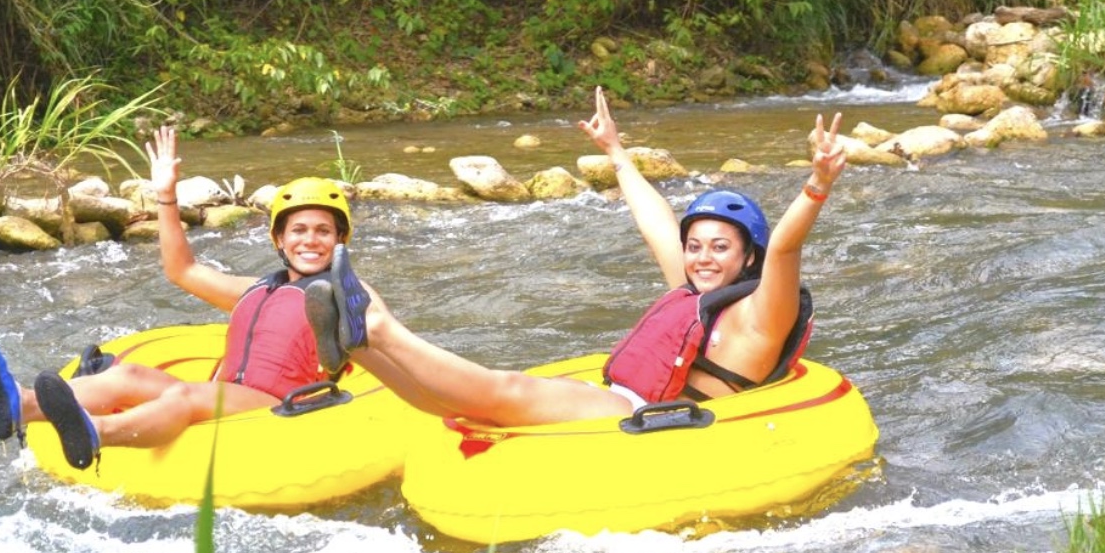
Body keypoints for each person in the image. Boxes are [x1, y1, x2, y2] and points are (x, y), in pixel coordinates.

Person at [303, 86, 849, 426]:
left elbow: (786, 247)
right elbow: (655, 220)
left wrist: (817, 185)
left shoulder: (762, 315)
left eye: (721, 247)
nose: (702, 258)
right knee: (456, 406)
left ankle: (379, 326)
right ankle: (357, 345)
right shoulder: (693, 288)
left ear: (749, 259)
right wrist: (615, 150)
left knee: (508, 390)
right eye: (696, 246)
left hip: (642, 419)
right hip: (620, 402)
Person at [0, 124, 354, 469]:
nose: (310, 240)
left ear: (339, 240)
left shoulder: (346, 293)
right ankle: (21, 405)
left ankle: (95, 432)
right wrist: (166, 196)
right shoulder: (255, 289)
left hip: (276, 406)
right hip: (227, 394)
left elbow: (377, 330)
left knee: (185, 395)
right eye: (299, 230)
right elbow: (181, 270)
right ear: (280, 240)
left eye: (323, 231)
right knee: (129, 375)